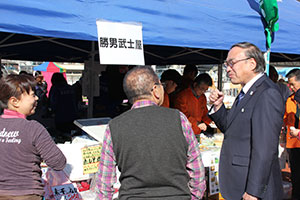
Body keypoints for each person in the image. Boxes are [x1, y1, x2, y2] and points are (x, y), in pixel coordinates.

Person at [96, 66, 206, 200]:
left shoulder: (114, 126)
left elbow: (104, 183)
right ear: (155, 90)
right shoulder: (179, 119)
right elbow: (197, 171)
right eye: (161, 85)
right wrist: (194, 197)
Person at [209, 42, 284, 200]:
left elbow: (265, 148)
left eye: (232, 63)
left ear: (252, 63)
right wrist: (219, 107)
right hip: (238, 181)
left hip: (250, 187)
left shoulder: (266, 93)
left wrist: (254, 191)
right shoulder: (247, 91)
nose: (228, 69)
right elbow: (231, 128)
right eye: (226, 64)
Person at [0, 74, 66, 200]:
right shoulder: (33, 128)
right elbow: (58, 162)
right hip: (27, 194)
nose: (36, 98)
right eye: (32, 95)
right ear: (14, 101)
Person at [283, 69, 300, 200]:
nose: (290, 87)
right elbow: (285, 120)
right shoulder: (290, 100)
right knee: (295, 175)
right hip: (292, 144)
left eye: (292, 84)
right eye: (289, 84)